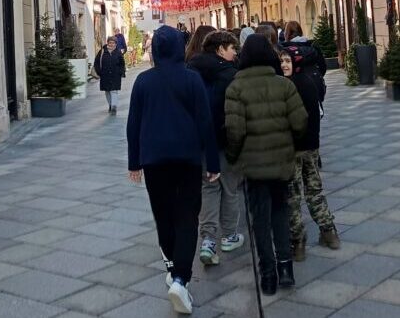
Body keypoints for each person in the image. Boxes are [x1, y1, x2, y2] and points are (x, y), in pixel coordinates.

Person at [128, 26, 220, 315]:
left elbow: (134, 125)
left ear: (155, 49)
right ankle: (180, 277)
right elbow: (205, 122)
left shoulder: (143, 81)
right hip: (187, 158)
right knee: (187, 217)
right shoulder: (191, 79)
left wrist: (134, 162)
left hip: (154, 159)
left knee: (163, 215)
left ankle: (172, 266)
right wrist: (213, 163)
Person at [225, 35, 308, 296]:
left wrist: (232, 156)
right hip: (280, 162)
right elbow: (300, 122)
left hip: (253, 165)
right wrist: (288, 144)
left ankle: (268, 275)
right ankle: (286, 269)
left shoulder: (236, 89)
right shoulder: (284, 86)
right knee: (280, 213)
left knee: (259, 219)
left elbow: (235, 131)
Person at [187, 31, 243, 266]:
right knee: (229, 188)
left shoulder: (191, 70)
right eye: (232, 48)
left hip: (200, 141)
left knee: (208, 188)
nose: (235, 53)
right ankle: (229, 236)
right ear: (220, 49)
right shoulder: (231, 74)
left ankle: (208, 241)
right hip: (225, 139)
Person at [279, 49, 340, 261]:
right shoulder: (308, 81)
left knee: (293, 197)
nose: (284, 65)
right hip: (311, 148)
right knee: (314, 190)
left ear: (295, 63)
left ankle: (298, 242)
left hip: (294, 149)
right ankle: (329, 231)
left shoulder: (287, 86)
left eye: (287, 61)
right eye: (282, 61)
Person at [281, 20, 328, 104]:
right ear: (300, 31)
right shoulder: (312, 46)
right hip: (314, 84)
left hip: (294, 87)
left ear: (287, 33)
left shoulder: (285, 50)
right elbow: (323, 67)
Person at [94, 36, 126, 115]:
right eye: (110, 42)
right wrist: (99, 72)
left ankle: (114, 106)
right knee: (107, 91)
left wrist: (121, 72)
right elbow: (97, 62)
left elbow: (122, 63)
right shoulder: (102, 51)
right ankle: (110, 105)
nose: (111, 44)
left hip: (115, 75)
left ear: (116, 44)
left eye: (113, 43)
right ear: (107, 43)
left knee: (114, 91)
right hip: (105, 75)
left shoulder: (118, 52)